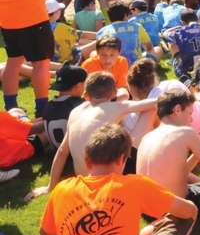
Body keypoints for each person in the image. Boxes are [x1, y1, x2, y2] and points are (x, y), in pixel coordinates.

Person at [39, 123, 197, 235]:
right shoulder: (134, 184)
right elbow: (189, 211)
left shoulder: (62, 188)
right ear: (122, 159)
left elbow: (45, 234)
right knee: (183, 216)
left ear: (87, 159)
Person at [25, 72, 158, 201]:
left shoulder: (75, 111)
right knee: (151, 109)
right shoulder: (116, 107)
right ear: (114, 93)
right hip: (108, 180)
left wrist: (50, 186)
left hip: (84, 180)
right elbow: (155, 102)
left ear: (86, 95)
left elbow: (62, 151)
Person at [137, 89, 200, 210]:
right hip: (177, 207)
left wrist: (197, 154)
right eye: (190, 113)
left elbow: (178, 174)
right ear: (177, 110)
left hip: (147, 210)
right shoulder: (186, 132)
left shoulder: (146, 138)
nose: (191, 120)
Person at [42, 65, 87, 149]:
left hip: (58, 151)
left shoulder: (49, 106)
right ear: (78, 86)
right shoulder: (80, 105)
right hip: (76, 153)